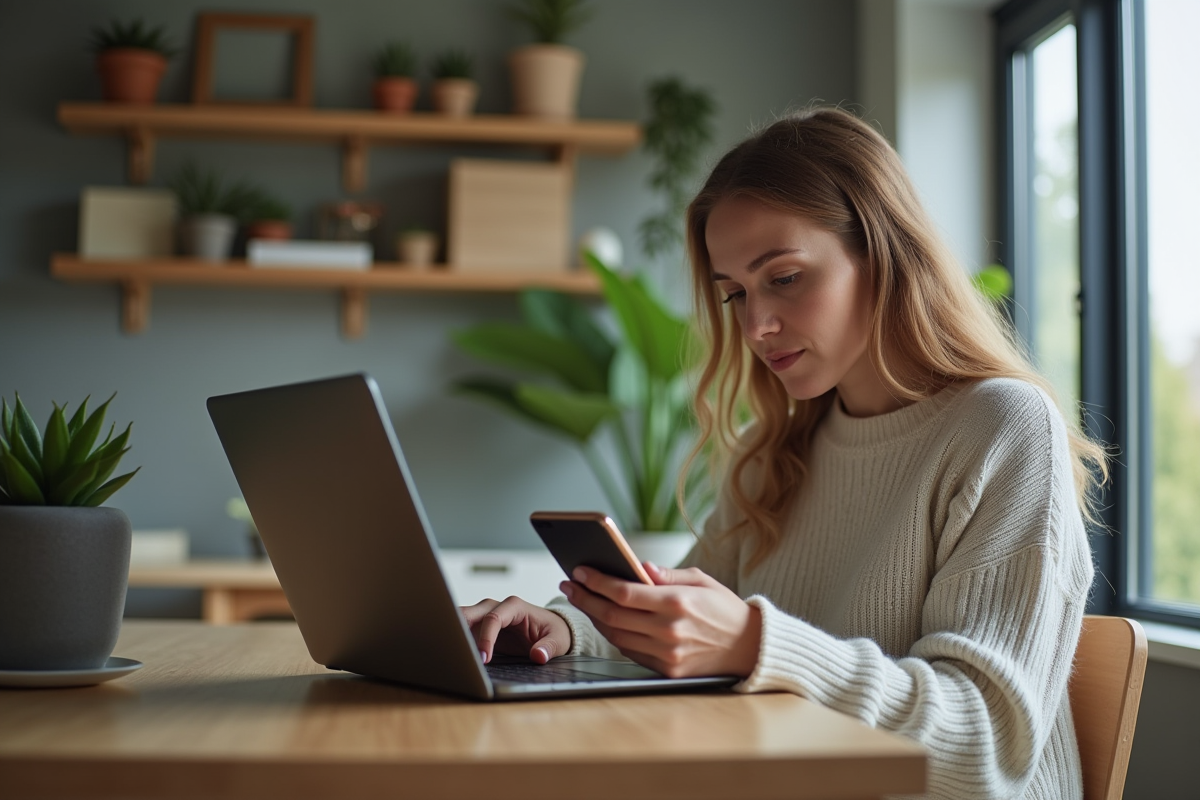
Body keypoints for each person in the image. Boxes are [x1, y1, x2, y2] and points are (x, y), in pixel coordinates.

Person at [462, 107, 1105, 800]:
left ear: (883, 252)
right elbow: (675, 624)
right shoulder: (775, 458)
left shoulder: (1000, 428)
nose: (756, 325)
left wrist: (754, 645)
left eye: (786, 277)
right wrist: (562, 632)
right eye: (735, 293)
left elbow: (984, 741)